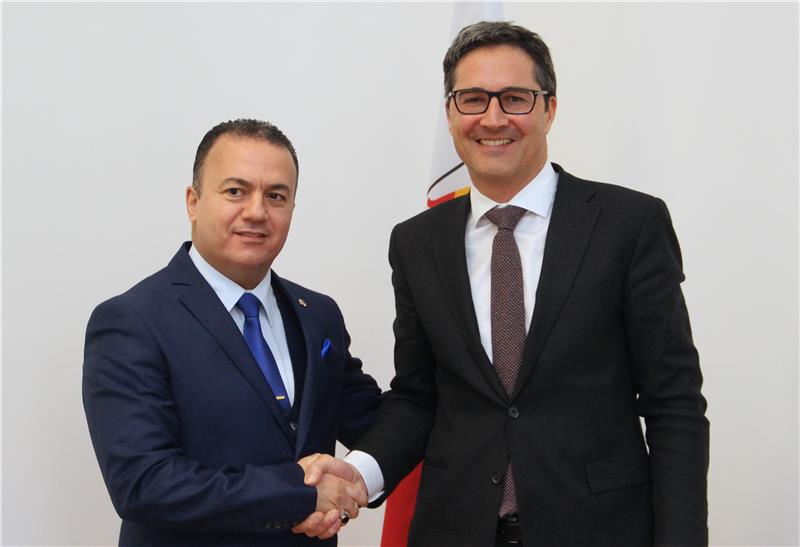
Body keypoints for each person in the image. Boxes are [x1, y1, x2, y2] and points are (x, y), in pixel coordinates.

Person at [302, 22, 709, 547]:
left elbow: (674, 402)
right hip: (454, 530)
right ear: (450, 113)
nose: (493, 118)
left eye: (515, 98)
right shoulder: (416, 242)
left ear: (549, 109)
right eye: (473, 99)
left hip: (600, 529)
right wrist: (361, 472)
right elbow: (419, 397)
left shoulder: (628, 224)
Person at [83, 118, 381, 546]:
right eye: (236, 191)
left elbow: (374, 421)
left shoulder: (319, 315)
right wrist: (299, 496)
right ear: (193, 202)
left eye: (276, 196)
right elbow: (145, 483)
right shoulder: (132, 321)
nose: (257, 212)